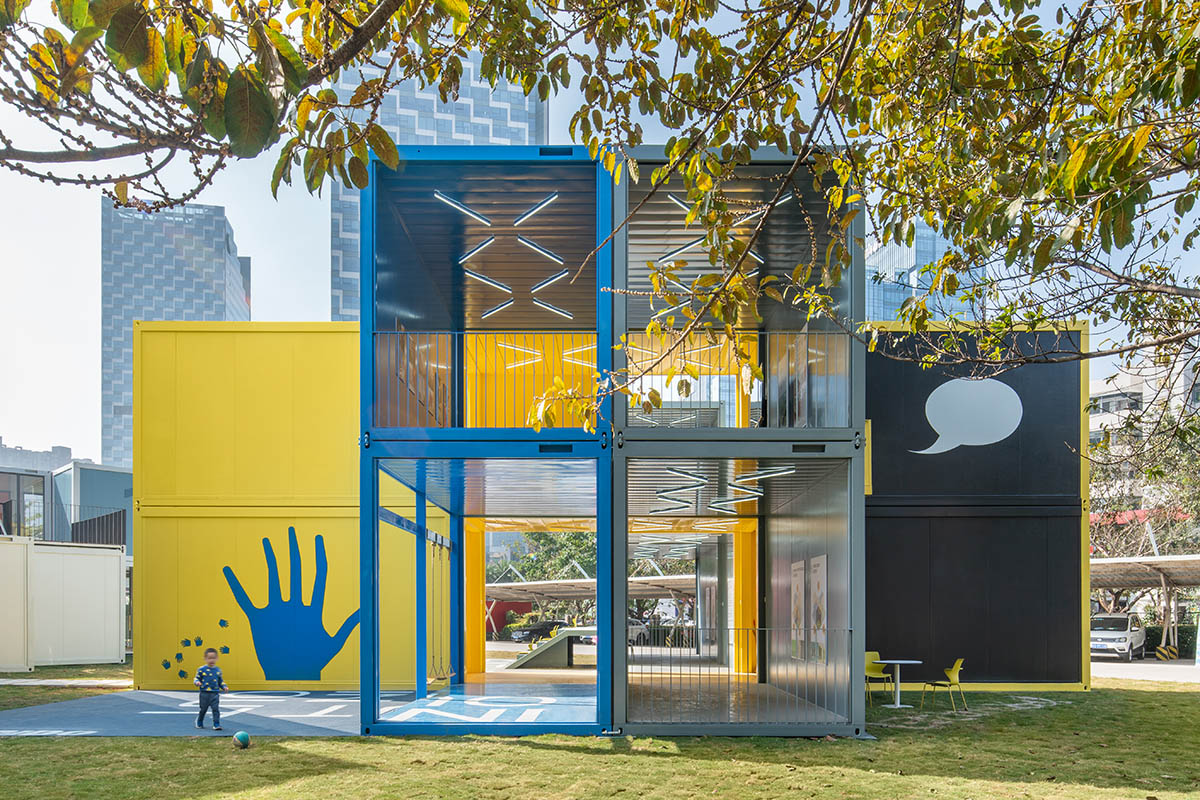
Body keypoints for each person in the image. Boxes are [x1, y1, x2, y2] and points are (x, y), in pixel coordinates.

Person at [194, 647, 228, 730]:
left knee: (215, 709)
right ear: (205, 659)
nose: (211, 660)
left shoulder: (217, 670)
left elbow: (220, 681)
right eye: (209, 658)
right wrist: (197, 682)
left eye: (213, 658)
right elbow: (196, 678)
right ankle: (199, 721)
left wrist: (224, 686)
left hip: (214, 694)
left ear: (217, 658)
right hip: (204, 693)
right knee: (203, 709)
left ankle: (216, 724)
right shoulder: (201, 669)